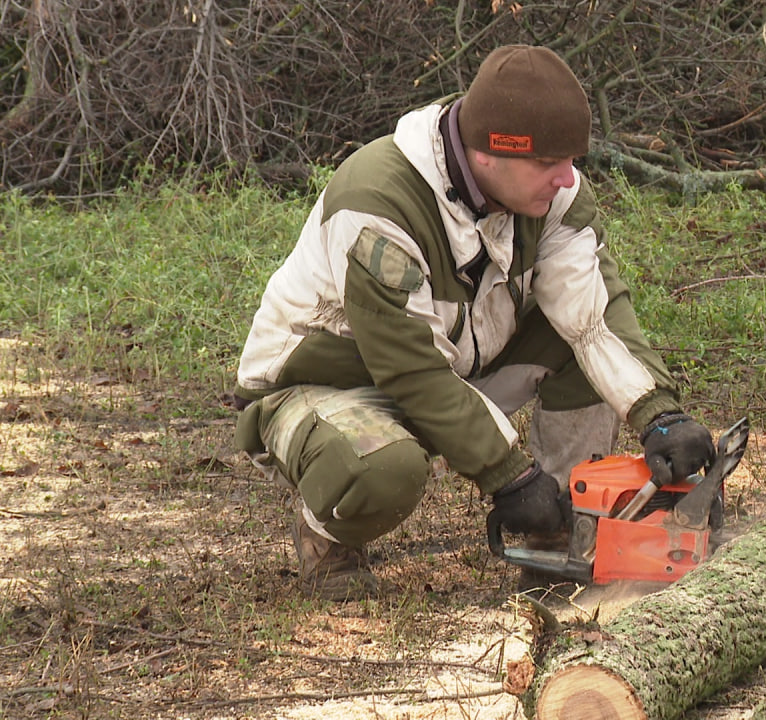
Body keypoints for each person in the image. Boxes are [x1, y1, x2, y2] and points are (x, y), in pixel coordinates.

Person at [232, 44, 715, 601]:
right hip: (323, 385)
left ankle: (563, 533)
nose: (567, 178)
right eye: (548, 163)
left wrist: (659, 414)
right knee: (385, 468)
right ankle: (328, 537)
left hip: (452, 363)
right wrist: (509, 473)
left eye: (571, 160)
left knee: (580, 349)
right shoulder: (377, 201)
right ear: (489, 154)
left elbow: (592, 317)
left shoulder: (552, 194)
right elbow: (412, 371)